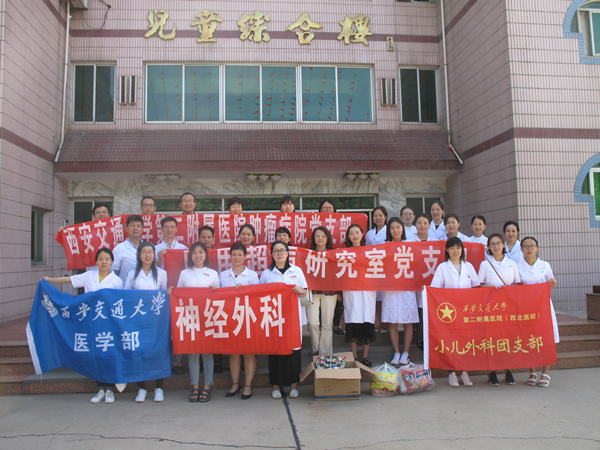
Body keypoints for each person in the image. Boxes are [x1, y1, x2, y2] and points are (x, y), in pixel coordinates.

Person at [42, 248, 123, 404]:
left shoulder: (117, 281)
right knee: (95, 356)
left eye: (107, 259)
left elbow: (119, 302)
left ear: (112, 262)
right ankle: (100, 389)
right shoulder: (88, 276)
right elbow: (69, 280)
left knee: (108, 355)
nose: (104, 262)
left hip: (108, 323)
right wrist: (49, 279)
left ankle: (110, 390)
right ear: (96, 261)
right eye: (101, 259)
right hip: (91, 322)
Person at [169, 242, 220, 402]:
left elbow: (220, 298)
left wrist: (215, 290)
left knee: (207, 353)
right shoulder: (184, 273)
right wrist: (172, 292)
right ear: (190, 256)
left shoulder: (213, 273)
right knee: (193, 353)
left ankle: (208, 386)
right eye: (194, 253)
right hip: (190, 318)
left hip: (207, 318)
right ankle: (195, 386)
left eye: (201, 252)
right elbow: (178, 296)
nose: (198, 256)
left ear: (206, 255)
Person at [260, 241, 308, 399]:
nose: (279, 253)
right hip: (273, 318)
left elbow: (306, 293)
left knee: (293, 352)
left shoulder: (296, 271)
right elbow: (259, 295)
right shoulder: (267, 274)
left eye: (282, 250)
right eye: (276, 251)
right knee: (275, 351)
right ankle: (276, 386)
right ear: (272, 255)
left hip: (292, 318)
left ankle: (294, 386)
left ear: (287, 253)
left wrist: (301, 291)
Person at [430, 237, 480, 387]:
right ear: (447, 250)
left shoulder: (469, 266)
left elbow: (476, 287)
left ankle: (464, 372)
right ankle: (451, 373)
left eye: (458, 248)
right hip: (449, 312)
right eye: (452, 248)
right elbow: (435, 290)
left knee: (465, 341)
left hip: (466, 311)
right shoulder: (442, 267)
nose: (455, 251)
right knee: (451, 342)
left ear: (462, 250)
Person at [124, 242, 168, 403]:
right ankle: (141, 388)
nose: (148, 255)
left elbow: (164, 296)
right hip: (138, 320)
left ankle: (159, 388)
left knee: (157, 351)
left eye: (150, 252)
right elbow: (126, 296)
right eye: (144, 252)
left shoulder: (162, 273)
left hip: (156, 320)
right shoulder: (132, 274)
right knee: (139, 352)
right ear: (139, 255)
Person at [478, 233, 521, 386]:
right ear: (488, 247)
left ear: (503, 245)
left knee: (508, 337)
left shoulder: (512, 264)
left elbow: (518, 283)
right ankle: (492, 371)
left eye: (498, 243)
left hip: (508, 306)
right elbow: (479, 285)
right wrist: (491, 288)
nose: (496, 246)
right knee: (492, 338)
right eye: (492, 244)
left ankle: (508, 370)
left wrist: (507, 290)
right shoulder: (485, 264)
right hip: (491, 306)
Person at [219, 243, 260, 400]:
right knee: (234, 352)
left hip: (247, 318)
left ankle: (248, 385)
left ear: (245, 257)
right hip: (229, 318)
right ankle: (235, 384)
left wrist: (245, 290)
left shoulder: (252, 275)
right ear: (230, 256)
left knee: (249, 353)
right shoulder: (223, 275)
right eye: (234, 255)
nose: (236, 257)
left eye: (240, 255)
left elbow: (257, 297)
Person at [518, 236, 559, 387]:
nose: (529, 249)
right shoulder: (517, 266)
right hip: (527, 308)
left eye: (532, 246)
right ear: (521, 249)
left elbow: (551, 283)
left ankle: (545, 372)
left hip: (543, 306)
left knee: (546, 338)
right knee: (530, 338)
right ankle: (532, 371)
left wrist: (553, 283)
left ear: (537, 248)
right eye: (526, 246)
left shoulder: (545, 265)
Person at [381, 218, 418, 365]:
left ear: (403, 228)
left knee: (408, 321)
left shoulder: (411, 245)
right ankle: (396, 353)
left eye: (398, 227)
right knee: (392, 321)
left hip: (406, 288)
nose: (395, 230)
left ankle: (406, 353)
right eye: (392, 228)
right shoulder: (384, 246)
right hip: (390, 289)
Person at [343, 224, 377, 367]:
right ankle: (354, 355)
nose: (355, 236)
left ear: (363, 234)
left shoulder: (371, 251)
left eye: (357, 232)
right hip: (352, 292)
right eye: (352, 233)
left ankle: (366, 356)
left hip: (367, 291)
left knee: (366, 321)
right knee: (353, 321)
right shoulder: (344, 253)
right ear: (348, 237)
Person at [306, 226, 338, 356]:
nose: (320, 239)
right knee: (312, 322)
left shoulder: (333, 254)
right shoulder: (308, 254)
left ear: (327, 238)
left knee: (327, 324)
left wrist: (339, 292)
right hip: (313, 292)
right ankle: (315, 348)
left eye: (323, 236)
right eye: (317, 236)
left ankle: (325, 353)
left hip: (330, 292)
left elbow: (339, 274)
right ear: (313, 238)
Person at [319, 199, 344, 336]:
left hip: (336, 260)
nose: (327, 210)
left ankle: (336, 324)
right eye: (324, 207)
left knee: (337, 294)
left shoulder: (341, 222)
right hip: (320, 259)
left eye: (330, 207)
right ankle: (322, 325)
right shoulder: (314, 223)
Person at [366, 206, 388, 334]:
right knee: (377, 298)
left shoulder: (389, 231)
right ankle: (378, 323)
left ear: (385, 217)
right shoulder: (369, 233)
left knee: (386, 297)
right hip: (373, 268)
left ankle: (386, 325)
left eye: (380, 215)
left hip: (386, 268)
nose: (378, 218)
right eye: (375, 216)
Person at [111, 215, 144, 284]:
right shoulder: (119, 249)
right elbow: (113, 272)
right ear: (126, 228)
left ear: (142, 229)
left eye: (138, 226)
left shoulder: (148, 247)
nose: (135, 228)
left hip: (145, 288)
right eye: (132, 225)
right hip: (126, 288)